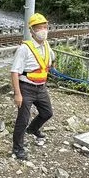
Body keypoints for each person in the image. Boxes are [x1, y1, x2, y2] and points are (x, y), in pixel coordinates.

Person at [10, 13, 55, 160]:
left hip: (41, 88)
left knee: (47, 113)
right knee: (22, 119)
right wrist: (17, 94)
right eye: (39, 27)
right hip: (26, 88)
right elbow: (15, 72)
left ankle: (33, 129)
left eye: (45, 27)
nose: (43, 30)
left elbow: (50, 60)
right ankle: (18, 148)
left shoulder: (47, 45)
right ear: (32, 31)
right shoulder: (24, 48)